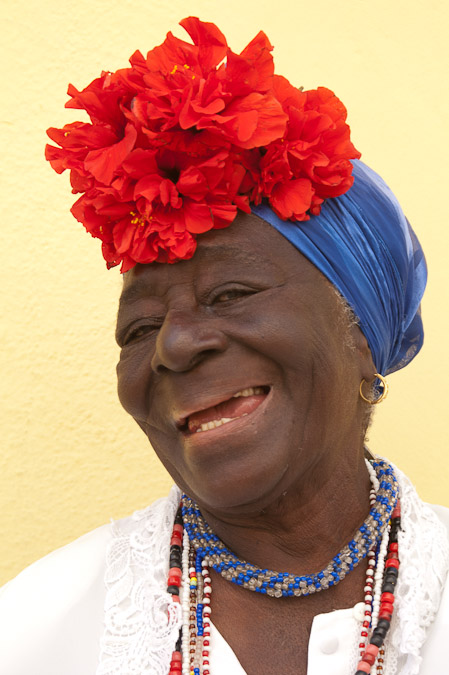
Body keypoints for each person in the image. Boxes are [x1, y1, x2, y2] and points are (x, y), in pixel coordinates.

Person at [0, 17, 448, 675]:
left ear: (358, 333)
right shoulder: (36, 630)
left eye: (231, 293)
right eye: (139, 330)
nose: (173, 347)